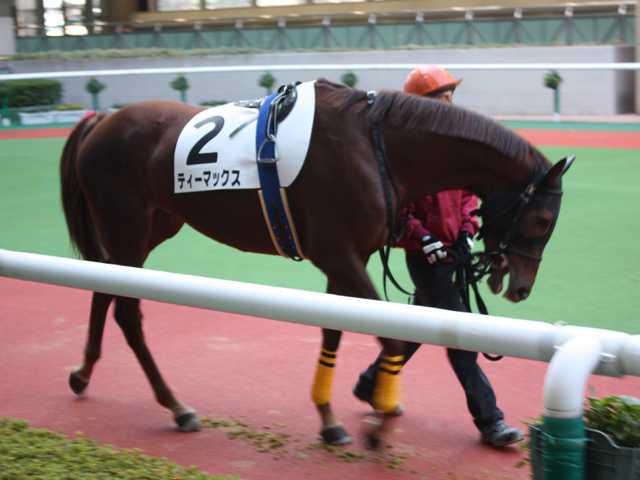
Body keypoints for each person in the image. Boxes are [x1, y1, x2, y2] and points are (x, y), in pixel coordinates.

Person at [353, 64, 524, 447]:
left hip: (453, 255)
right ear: (420, 105)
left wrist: (466, 232)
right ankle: (490, 422)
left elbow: (468, 198)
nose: (451, 106)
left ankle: (371, 383)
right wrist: (424, 238)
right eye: (443, 99)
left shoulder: (454, 144)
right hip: (424, 257)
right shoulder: (406, 151)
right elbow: (398, 206)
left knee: (417, 329)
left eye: (451, 98)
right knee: (460, 336)